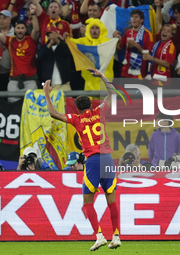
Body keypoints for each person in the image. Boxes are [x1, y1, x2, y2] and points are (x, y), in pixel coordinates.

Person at [43, 68, 121, 251]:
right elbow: (113, 93)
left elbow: (54, 114)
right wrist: (102, 76)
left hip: (93, 160)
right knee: (112, 200)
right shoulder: (100, 111)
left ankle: (100, 236)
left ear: (78, 108)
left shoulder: (77, 119)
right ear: (91, 105)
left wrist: (47, 94)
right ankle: (116, 236)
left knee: (87, 202)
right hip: (108, 159)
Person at [0, 6, 39, 102]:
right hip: (13, 80)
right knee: (12, 108)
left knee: (32, 107)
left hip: (30, 80)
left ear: (25, 30)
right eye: (18, 28)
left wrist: (33, 14)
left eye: (22, 28)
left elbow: (36, 30)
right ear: (15, 30)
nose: (20, 31)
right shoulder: (10, 40)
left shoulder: (31, 40)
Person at [70, 18, 120, 91]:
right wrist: (66, 37)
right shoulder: (83, 42)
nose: (94, 31)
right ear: (88, 30)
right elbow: (70, 42)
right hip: (89, 83)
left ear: (101, 29)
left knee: (104, 102)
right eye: (92, 28)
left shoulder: (108, 42)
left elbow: (120, 45)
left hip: (105, 83)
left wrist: (118, 40)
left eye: (97, 28)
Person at [115, 9, 154, 79]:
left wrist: (135, 45)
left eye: (136, 17)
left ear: (141, 20)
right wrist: (115, 40)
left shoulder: (148, 34)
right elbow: (119, 48)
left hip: (139, 73)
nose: (134, 19)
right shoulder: (128, 33)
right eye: (132, 17)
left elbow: (148, 55)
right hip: (125, 71)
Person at [37, 26, 72, 91]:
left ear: (57, 34)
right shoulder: (44, 48)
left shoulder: (64, 45)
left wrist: (57, 40)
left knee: (67, 101)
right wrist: (49, 44)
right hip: (49, 85)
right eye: (49, 35)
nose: (51, 37)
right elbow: (40, 57)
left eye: (53, 34)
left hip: (64, 83)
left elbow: (67, 53)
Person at [0, 9, 15, 92]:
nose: (1, 21)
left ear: (10, 20)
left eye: (4, 18)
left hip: (11, 72)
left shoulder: (16, 33)